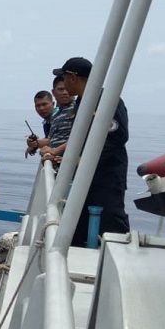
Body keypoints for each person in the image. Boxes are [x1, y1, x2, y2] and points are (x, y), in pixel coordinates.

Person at [52, 56, 130, 247]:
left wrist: (84, 160)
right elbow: (80, 137)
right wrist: (60, 153)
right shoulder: (81, 102)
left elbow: (117, 137)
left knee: (110, 221)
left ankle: (116, 262)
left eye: (63, 77)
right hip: (86, 177)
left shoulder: (106, 99)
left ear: (72, 77)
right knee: (79, 219)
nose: (62, 83)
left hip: (107, 175)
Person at [37, 75, 76, 161]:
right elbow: (52, 140)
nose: (65, 92)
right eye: (61, 89)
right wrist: (36, 144)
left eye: (67, 88)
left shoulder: (78, 109)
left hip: (71, 166)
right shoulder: (55, 115)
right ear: (53, 92)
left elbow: (80, 138)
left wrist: (54, 151)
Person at [25, 90, 55, 157]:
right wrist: (35, 145)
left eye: (44, 104)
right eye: (38, 106)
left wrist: (36, 143)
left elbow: (58, 140)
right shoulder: (46, 122)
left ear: (53, 104)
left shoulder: (58, 118)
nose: (41, 108)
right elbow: (50, 138)